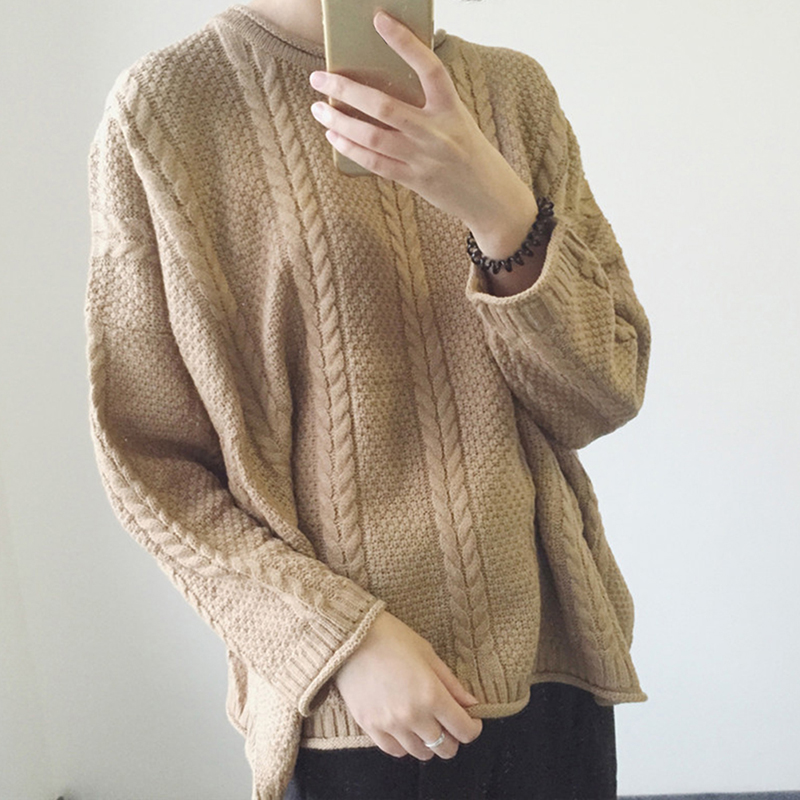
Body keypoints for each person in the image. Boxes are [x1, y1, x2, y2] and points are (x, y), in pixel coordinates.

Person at [85, 1, 651, 798]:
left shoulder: (511, 92)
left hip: (551, 669)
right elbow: (150, 465)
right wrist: (338, 640)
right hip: (351, 708)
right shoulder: (169, 110)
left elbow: (606, 391)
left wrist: (497, 210)